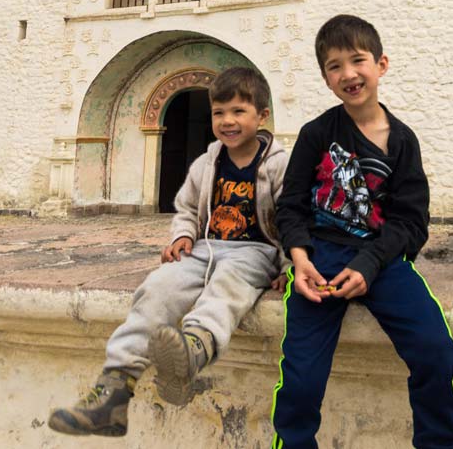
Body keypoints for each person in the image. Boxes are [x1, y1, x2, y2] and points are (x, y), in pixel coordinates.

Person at [48, 66, 289, 437]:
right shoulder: (208, 163)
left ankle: (194, 347)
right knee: (157, 286)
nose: (228, 121)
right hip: (205, 249)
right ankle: (114, 389)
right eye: (219, 112)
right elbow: (189, 209)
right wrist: (183, 236)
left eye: (239, 111)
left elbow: (293, 217)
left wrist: (290, 264)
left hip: (254, 252)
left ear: (262, 116)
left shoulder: (277, 165)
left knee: (228, 285)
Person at [271, 14, 453, 449]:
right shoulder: (316, 134)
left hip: (382, 259)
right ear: (325, 78)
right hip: (318, 263)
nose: (348, 74)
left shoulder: (403, 142)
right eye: (335, 66)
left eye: (358, 60)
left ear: (381, 64)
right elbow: (292, 207)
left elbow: (411, 223)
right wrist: (299, 260)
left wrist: (370, 264)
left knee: (436, 351)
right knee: (301, 381)